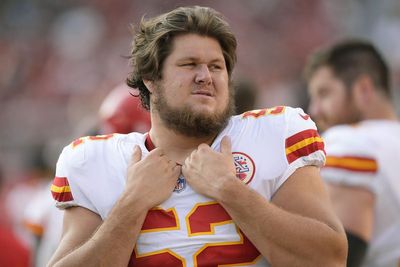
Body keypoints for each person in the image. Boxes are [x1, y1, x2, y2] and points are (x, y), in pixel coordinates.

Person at [48, 6, 347, 267]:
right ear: (151, 79)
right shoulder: (94, 161)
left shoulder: (275, 133)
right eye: (189, 64)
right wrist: (131, 204)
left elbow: (329, 259)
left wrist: (230, 190)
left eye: (216, 66)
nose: (206, 75)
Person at [305, 39, 400, 267]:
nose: (314, 109)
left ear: (363, 89)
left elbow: (337, 258)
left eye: (324, 93)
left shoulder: (350, 141)